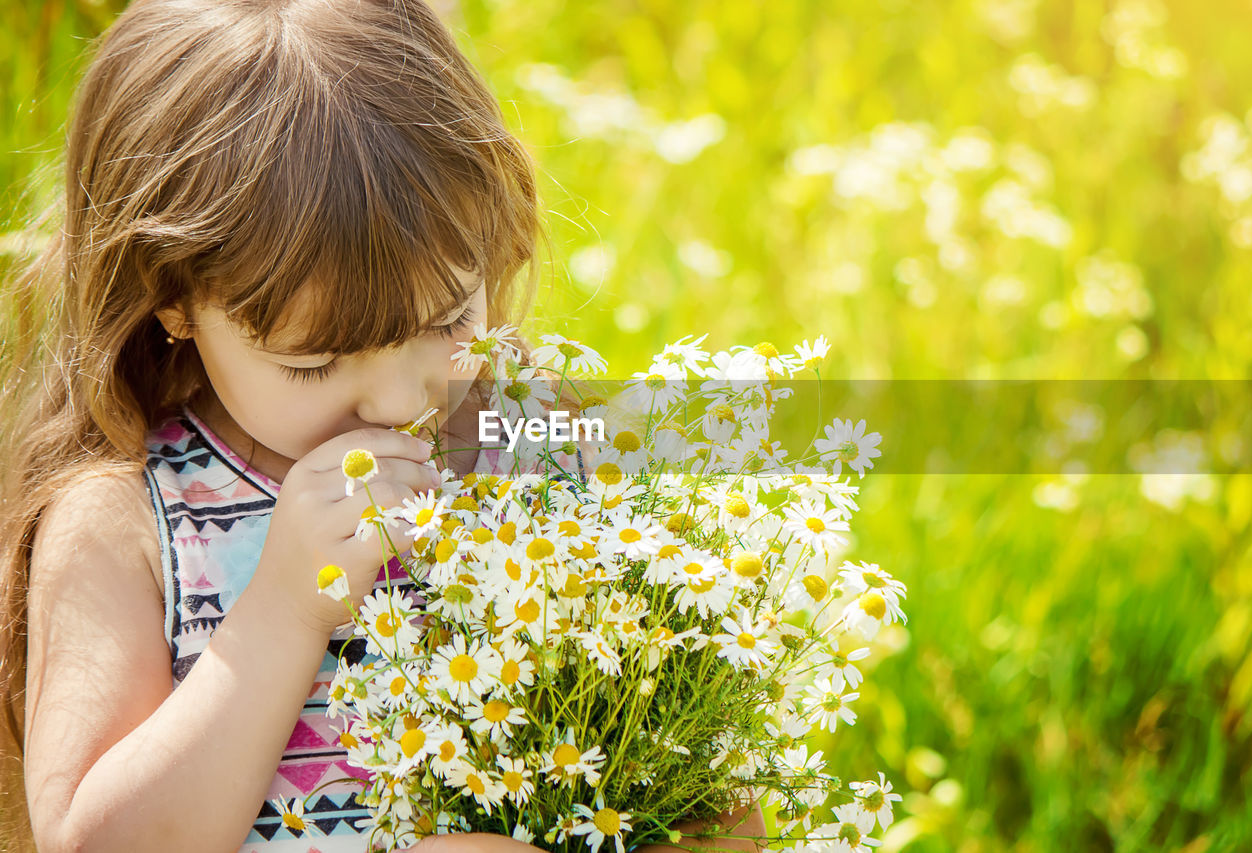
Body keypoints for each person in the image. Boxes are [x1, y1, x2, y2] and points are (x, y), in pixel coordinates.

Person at [0, 1, 764, 851]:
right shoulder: (125, 520)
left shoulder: (525, 443)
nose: (399, 402)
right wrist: (286, 610)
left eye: (445, 320)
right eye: (314, 362)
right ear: (174, 299)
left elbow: (701, 785)